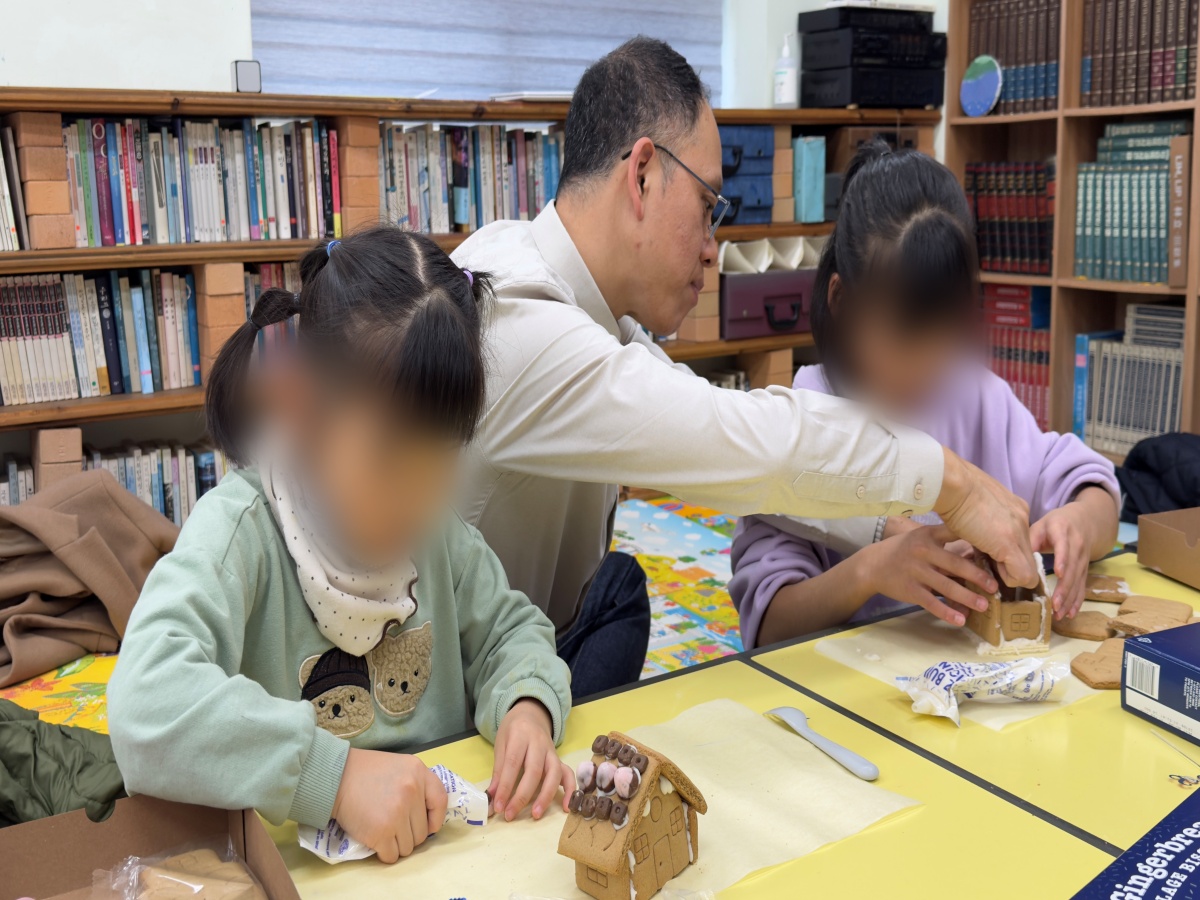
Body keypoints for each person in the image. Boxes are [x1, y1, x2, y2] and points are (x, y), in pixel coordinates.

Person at [452, 36, 1038, 697]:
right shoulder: (524, 325)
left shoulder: (557, 288)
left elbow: (710, 429)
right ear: (641, 174)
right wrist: (954, 485)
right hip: (460, 686)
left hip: (530, 633)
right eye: (708, 207)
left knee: (620, 591)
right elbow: (740, 441)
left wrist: (892, 529)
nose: (713, 249)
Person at [108, 230, 574, 864]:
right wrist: (335, 777)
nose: (418, 502)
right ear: (306, 414)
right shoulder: (242, 534)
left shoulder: (438, 534)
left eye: (441, 462)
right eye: (389, 463)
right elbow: (144, 704)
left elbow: (511, 630)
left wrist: (526, 705)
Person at [729, 142, 1120, 648]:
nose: (927, 365)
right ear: (842, 301)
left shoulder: (975, 396)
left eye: (946, 333)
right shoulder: (799, 424)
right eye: (905, 336)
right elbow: (767, 626)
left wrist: (1078, 524)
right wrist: (870, 570)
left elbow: (1093, 487)